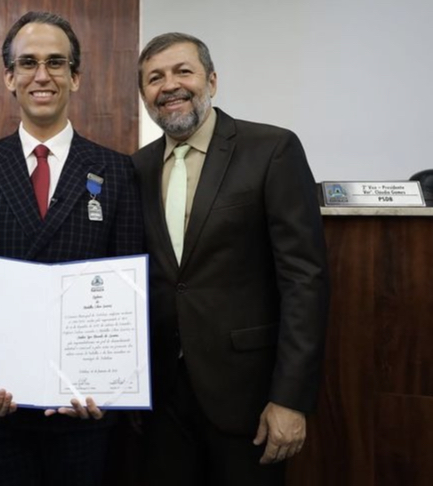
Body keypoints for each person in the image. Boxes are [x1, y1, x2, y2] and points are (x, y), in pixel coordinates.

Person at [0, 11, 143, 486]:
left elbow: (128, 286)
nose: (42, 76)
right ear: (9, 77)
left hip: (83, 412)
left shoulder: (115, 170)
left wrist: (108, 387)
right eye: (27, 63)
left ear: (75, 77)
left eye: (56, 63)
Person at [132, 32, 330, 485]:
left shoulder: (271, 150)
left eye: (183, 71)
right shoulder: (136, 168)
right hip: (161, 401)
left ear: (212, 81)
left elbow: (305, 281)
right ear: (144, 94)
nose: (170, 86)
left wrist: (291, 398)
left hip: (249, 398)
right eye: (154, 78)